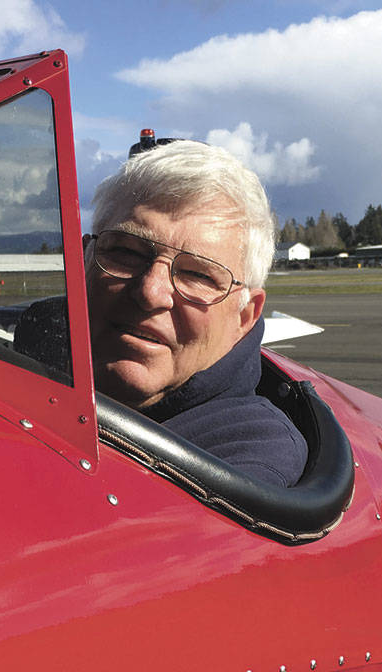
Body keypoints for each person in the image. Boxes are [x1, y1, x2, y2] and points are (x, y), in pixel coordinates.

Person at [86, 140, 307, 488]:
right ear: (85, 258)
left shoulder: (248, 455)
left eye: (199, 275)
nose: (150, 292)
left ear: (244, 317)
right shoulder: (19, 358)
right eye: (126, 252)